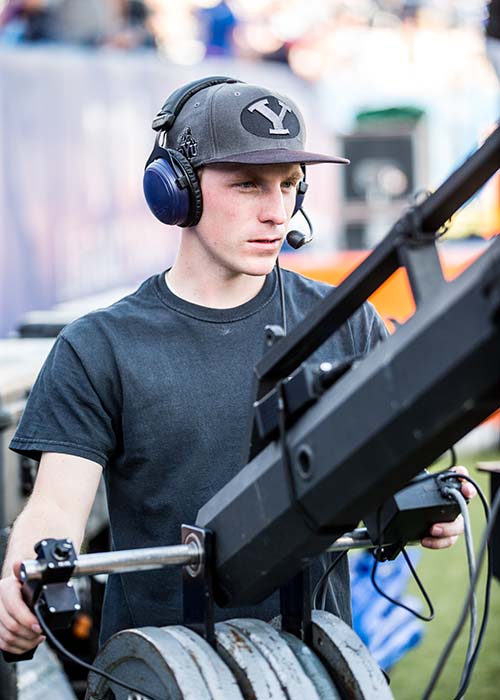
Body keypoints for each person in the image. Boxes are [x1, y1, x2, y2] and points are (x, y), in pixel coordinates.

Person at [0, 76, 474, 658]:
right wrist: (26, 578)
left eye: (289, 186)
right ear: (176, 191)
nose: (276, 212)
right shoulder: (98, 346)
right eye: (248, 184)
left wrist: (425, 500)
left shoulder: (345, 320)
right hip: (156, 675)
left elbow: (392, 468)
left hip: (318, 668)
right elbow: (55, 505)